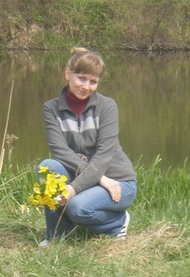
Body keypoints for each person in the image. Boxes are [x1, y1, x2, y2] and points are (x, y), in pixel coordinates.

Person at [37, 47, 137, 246]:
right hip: (95, 178)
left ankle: (116, 223)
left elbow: (103, 156)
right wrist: (99, 178)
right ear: (68, 74)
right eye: (81, 78)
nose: (86, 86)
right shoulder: (51, 108)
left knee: (77, 207)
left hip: (118, 181)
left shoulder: (107, 106)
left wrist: (74, 188)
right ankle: (56, 234)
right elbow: (60, 152)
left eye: (93, 81)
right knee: (48, 167)